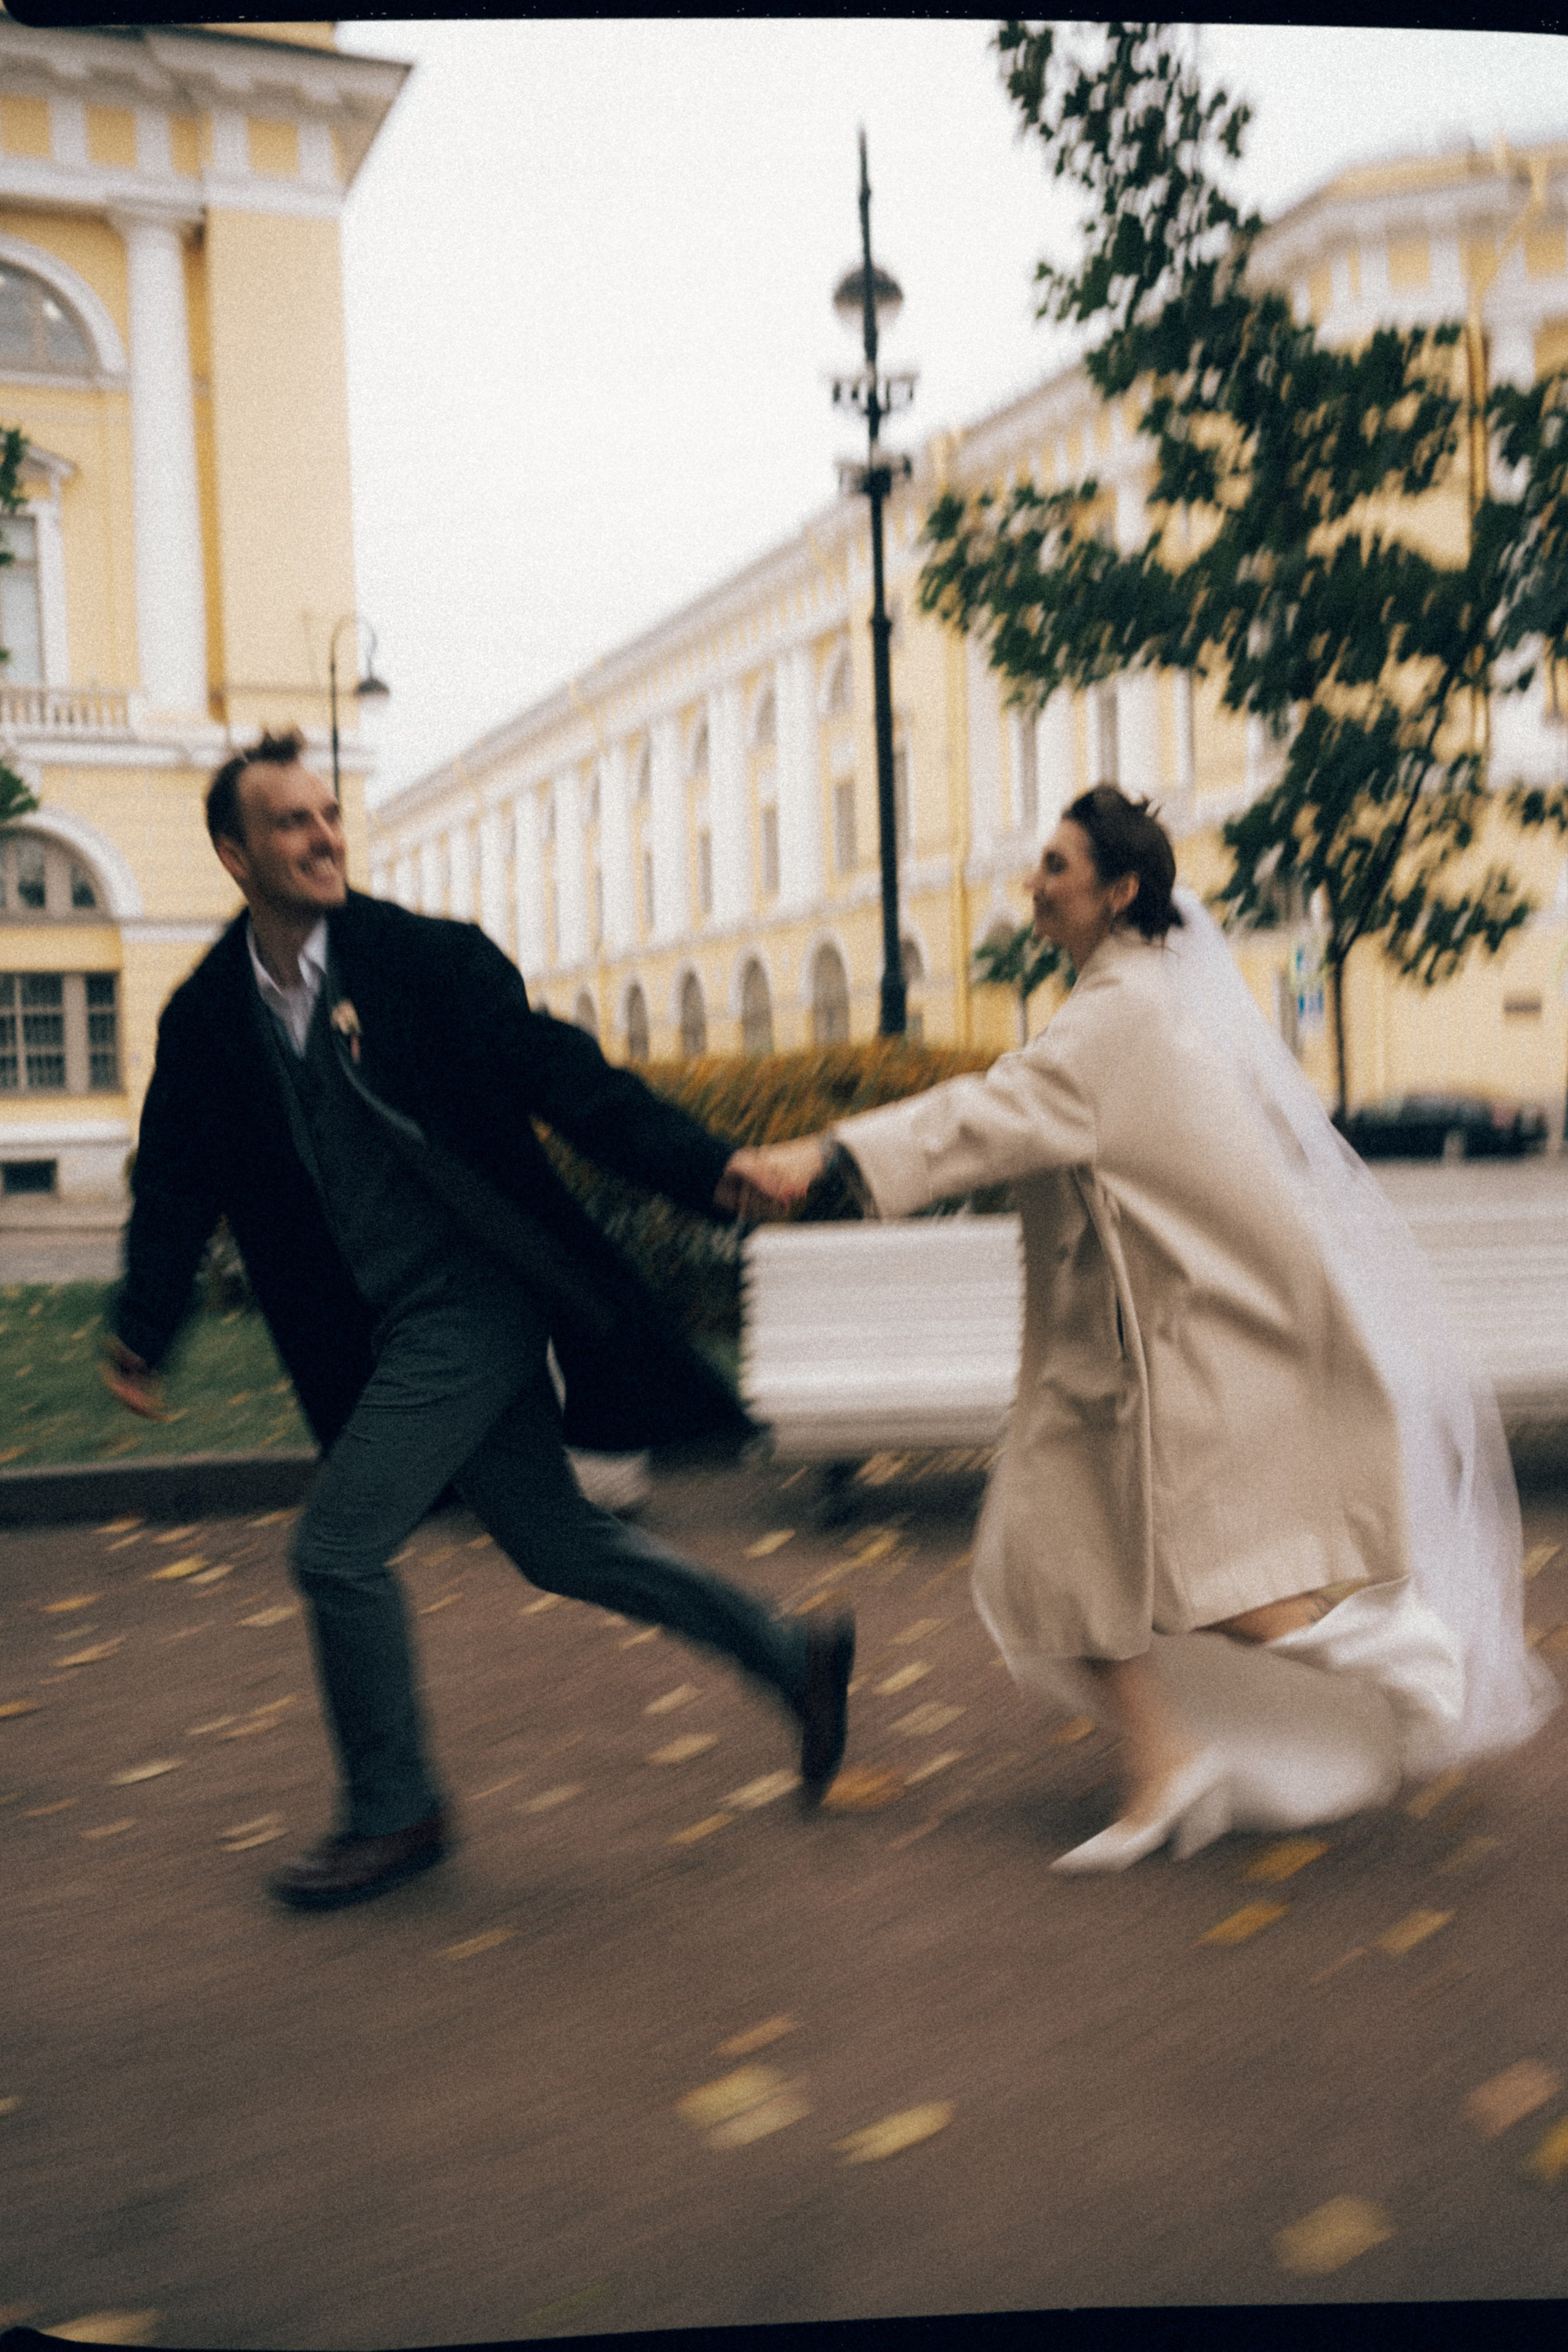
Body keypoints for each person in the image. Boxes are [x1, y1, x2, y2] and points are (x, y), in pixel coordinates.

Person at [104, 730, 851, 1912]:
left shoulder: (423, 964)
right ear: (233, 853)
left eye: (329, 815)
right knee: (560, 1546)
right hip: (373, 1328)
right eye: (291, 823)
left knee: (335, 1551)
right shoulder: (206, 1019)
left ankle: (394, 1812)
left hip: (474, 1300)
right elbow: (178, 1181)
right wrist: (144, 1324)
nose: (323, 838)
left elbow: (570, 1079)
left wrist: (712, 1169)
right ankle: (790, 1654)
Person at [742, 785, 1556, 1870]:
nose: (1034, 882)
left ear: (1120, 891)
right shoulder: (1140, 997)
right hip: (1121, 1362)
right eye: (1039, 862)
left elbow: (985, 1113)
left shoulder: (1121, 1013)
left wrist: (829, 1155)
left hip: (1176, 1359)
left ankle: (1389, 1646)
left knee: (1204, 1590)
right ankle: (1166, 1769)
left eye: (1059, 866)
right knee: (1066, 1567)